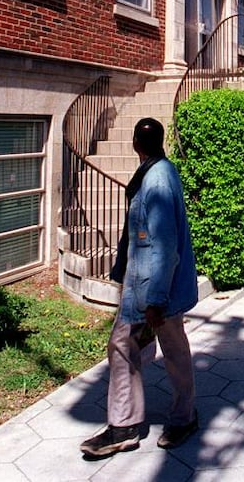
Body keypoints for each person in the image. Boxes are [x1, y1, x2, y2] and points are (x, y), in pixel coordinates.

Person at [80, 117, 198, 458]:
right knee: (169, 348)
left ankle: (126, 425)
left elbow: (162, 244)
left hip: (152, 290)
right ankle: (182, 416)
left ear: (135, 143)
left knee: (123, 347)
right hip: (154, 287)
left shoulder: (157, 180)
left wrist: (155, 300)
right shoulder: (160, 170)